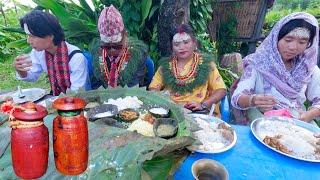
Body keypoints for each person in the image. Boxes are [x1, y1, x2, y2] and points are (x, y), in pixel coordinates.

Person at [231, 12, 320, 125]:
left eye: (302, 42)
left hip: (298, 122)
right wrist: (253, 100)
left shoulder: (308, 69)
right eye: (288, 40)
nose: (293, 47)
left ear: (309, 44)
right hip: (263, 121)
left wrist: (310, 114)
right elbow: (237, 97)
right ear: (276, 37)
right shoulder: (258, 63)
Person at [149, 24, 227, 117]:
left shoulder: (207, 64)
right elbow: (153, 88)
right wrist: (164, 102)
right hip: (171, 111)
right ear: (172, 47)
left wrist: (203, 105)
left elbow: (221, 90)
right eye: (177, 44)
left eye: (186, 42)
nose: (181, 47)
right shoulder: (165, 66)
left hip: (199, 112)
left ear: (194, 43)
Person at [13, 10, 89, 96]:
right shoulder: (39, 52)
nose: (28, 41)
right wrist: (20, 70)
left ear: (51, 35)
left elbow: (77, 92)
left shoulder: (76, 57)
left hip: (79, 100)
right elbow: (32, 76)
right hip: (57, 97)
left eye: (33, 36)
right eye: (28, 35)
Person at [91, 5, 148, 88]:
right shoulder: (97, 50)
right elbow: (96, 84)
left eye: (117, 46)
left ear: (125, 35)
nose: (112, 50)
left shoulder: (138, 53)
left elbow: (134, 86)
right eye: (107, 47)